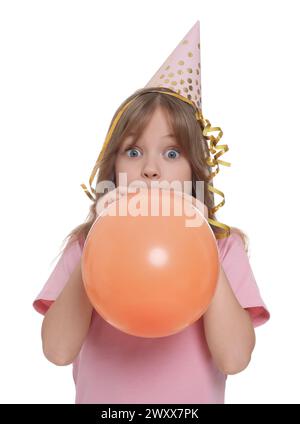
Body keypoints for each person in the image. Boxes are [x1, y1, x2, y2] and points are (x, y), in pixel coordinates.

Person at [32, 21, 270, 404]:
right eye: (133, 151)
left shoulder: (224, 247)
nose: (151, 169)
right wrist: (97, 241)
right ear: (114, 168)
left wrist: (200, 243)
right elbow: (58, 351)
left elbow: (235, 357)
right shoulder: (84, 244)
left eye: (172, 153)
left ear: (195, 169)